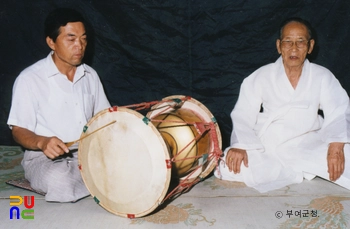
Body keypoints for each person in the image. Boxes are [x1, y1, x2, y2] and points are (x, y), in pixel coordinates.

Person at [215, 17, 350, 193]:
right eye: (288, 42)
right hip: (270, 146)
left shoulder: (322, 76)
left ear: (310, 46)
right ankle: (296, 169)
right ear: (279, 46)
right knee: (228, 165)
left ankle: (299, 167)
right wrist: (241, 146)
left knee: (345, 154)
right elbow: (243, 113)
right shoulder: (262, 75)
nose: (294, 48)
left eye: (300, 42)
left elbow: (338, 110)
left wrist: (335, 147)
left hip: (308, 143)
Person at [7, 8, 111, 202]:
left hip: (86, 153)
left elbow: (103, 117)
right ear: (51, 42)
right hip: (45, 159)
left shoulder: (90, 75)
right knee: (59, 180)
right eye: (71, 39)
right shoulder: (29, 79)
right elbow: (18, 130)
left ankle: (95, 177)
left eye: (83, 38)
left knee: (130, 158)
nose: (79, 46)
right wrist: (42, 142)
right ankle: (101, 180)